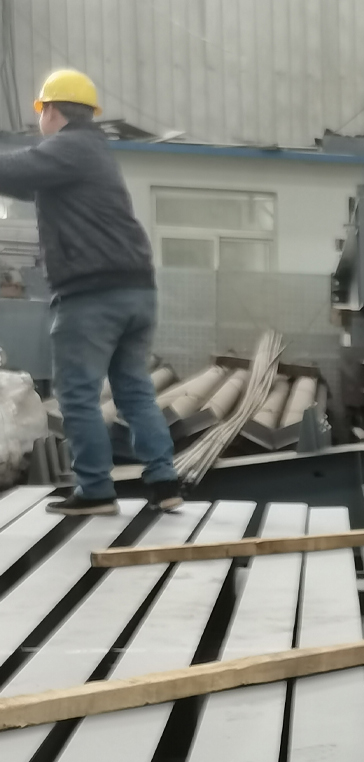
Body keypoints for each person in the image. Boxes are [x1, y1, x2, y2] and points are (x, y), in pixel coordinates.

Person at [0, 69, 181, 515]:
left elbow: (15, 168)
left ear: (51, 111)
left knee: (77, 394)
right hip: (137, 292)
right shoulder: (92, 152)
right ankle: (165, 483)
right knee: (134, 390)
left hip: (92, 295)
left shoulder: (71, 147)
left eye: (40, 112)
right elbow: (21, 181)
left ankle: (96, 490)